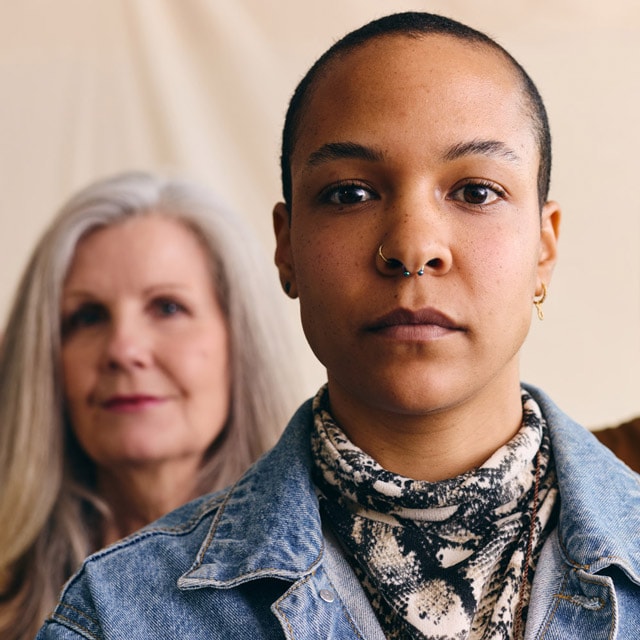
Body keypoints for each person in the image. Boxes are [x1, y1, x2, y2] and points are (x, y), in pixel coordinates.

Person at [38, 12, 640, 640]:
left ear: (543, 248)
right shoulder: (121, 614)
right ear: (287, 247)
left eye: (476, 192)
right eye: (350, 194)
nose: (413, 247)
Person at [0, 171, 301, 640]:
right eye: (88, 316)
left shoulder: (331, 583)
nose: (123, 348)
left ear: (240, 344)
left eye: (167, 308)